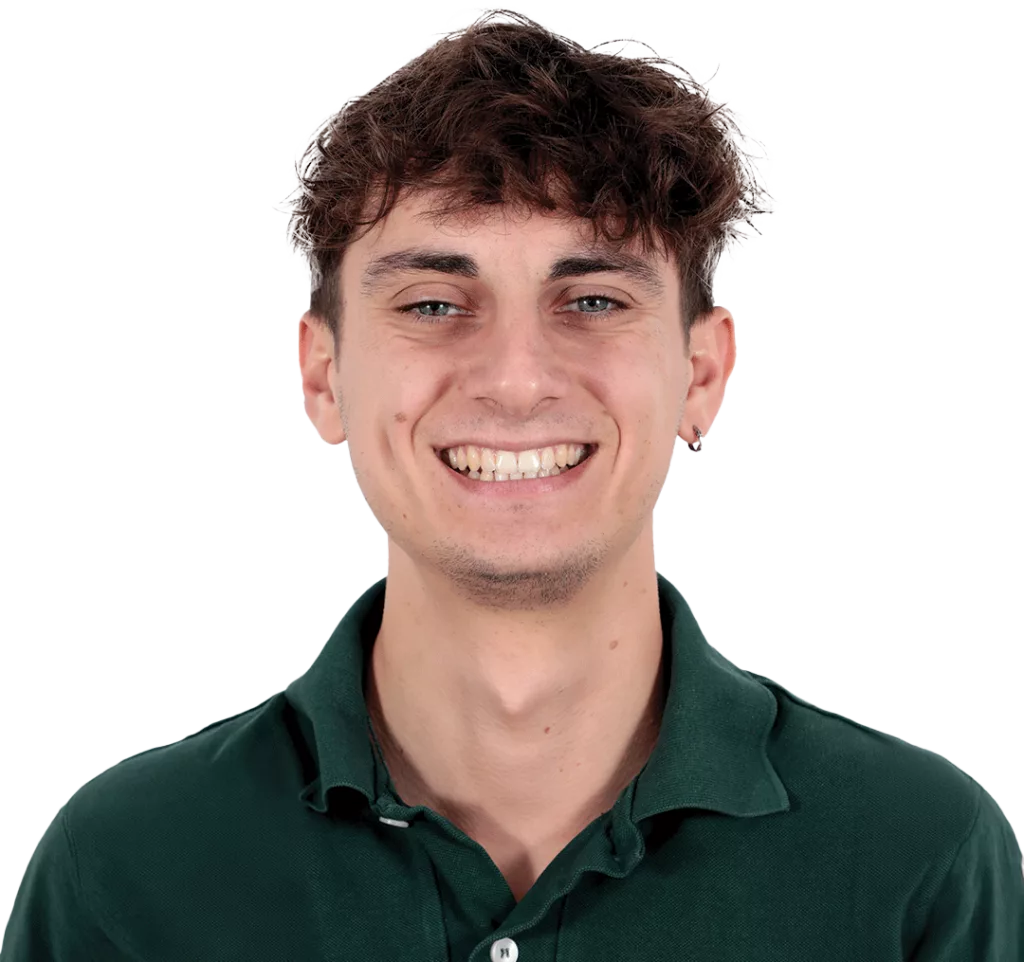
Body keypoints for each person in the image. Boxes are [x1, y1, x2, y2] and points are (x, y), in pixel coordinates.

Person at [3, 10, 1020, 960]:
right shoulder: (126, 870)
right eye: (435, 304)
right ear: (321, 374)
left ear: (703, 373)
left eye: (592, 299)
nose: (516, 380)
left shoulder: (916, 857)